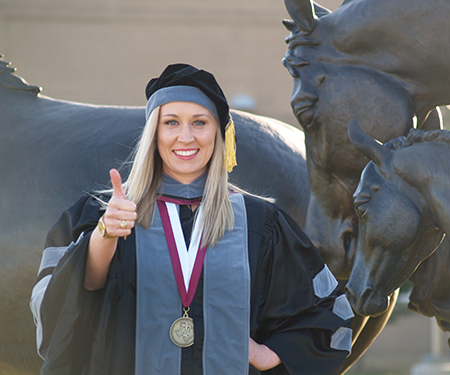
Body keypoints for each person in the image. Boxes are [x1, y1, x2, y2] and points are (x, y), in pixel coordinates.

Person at [30, 63, 353, 375]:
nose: (186, 137)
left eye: (200, 122)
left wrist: (273, 353)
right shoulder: (107, 211)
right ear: (153, 133)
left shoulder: (259, 222)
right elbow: (66, 299)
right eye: (171, 122)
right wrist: (106, 234)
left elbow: (325, 309)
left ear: (218, 133)